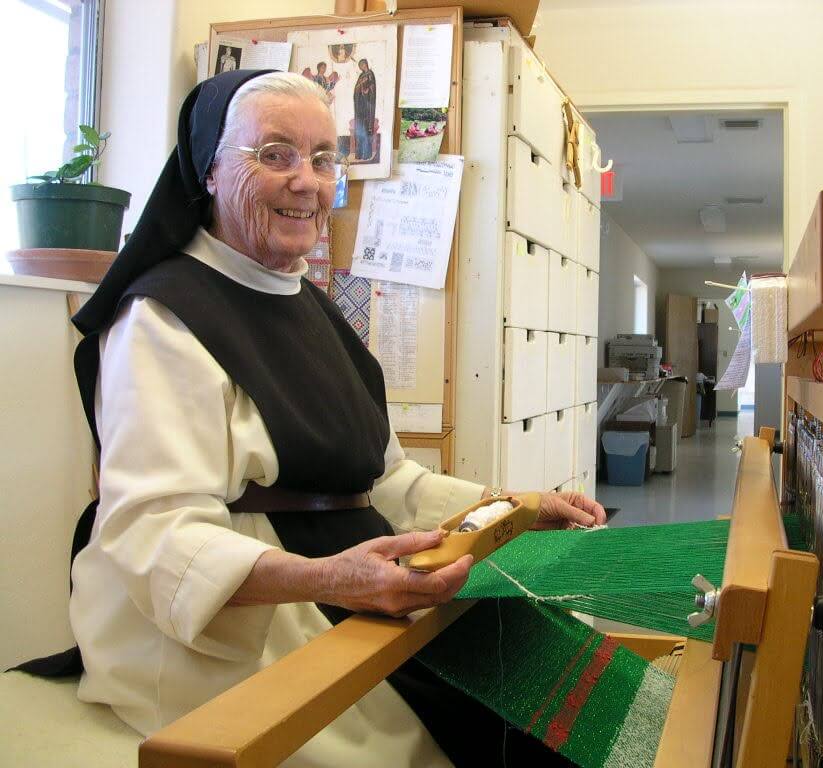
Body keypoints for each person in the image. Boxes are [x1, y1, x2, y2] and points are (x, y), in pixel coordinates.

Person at [51, 70, 605, 767]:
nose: (306, 181)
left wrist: (514, 508)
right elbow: (153, 529)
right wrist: (329, 580)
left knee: (536, 660)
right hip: (240, 622)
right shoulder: (160, 318)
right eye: (274, 155)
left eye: (322, 158)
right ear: (209, 173)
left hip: (348, 572)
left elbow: (387, 482)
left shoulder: (314, 307)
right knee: (433, 741)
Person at [353, 58, 376, 161]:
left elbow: (372, 88)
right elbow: (356, 89)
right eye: (360, 66)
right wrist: (360, 86)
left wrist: (366, 89)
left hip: (367, 107)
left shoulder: (370, 74)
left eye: (362, 65)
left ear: (366, 64)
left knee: (366, 129)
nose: (361, 67)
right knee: (359, 129)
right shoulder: (361, 76)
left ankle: (366, 154)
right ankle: (359, 154)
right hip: (360, 106)